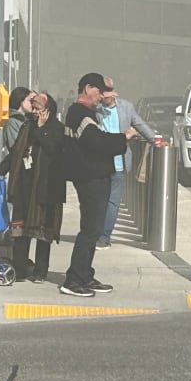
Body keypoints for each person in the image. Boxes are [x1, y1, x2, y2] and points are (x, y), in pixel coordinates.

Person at [61, 73, 137, 297]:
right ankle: (73, 279)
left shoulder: (87, 113)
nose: (101, 96)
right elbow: (96, 142)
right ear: (87, 88)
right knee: (90, 229)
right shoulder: (79, 113)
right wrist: (122, 138)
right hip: (90, 178)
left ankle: (85, 275)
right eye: (99, 91)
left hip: (94, 177)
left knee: (93, 230)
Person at [0, 93, 65, 282]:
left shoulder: (57, 129)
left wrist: (42, 130)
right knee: (20, 232)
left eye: (38, 109)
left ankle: (40, 271)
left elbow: (53, 150)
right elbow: (15, 153)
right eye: (33, 108)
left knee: (43, 232)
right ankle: (19, 269)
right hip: (24, 187)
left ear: (48, 111)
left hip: (45, 188)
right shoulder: (26, 127)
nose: (34, 112)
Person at [96, 77, 155, 251]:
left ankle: (104, 237)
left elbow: (139, 124)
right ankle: (96, 233)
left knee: (113, 202)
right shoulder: (95, 109)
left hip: (118, 162)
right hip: (99, 162)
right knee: (99, 200)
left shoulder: (126, 107)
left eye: (106, 94)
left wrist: (155, 140)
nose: (103, 98)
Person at [3, 87, 35, 153]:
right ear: (21, 100)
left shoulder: (27, 120)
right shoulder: (12, 122)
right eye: (29, 101)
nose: (32, 104)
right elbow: (15, 146)